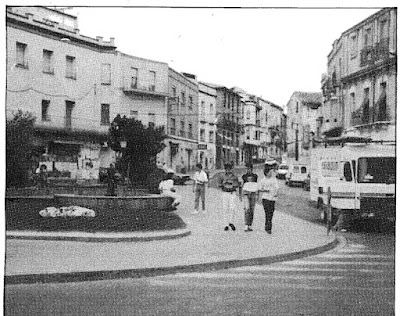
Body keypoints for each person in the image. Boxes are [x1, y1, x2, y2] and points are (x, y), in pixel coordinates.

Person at [217, 162, 240, 231]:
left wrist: (233, 185)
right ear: (225, 169)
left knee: (232, 208)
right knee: (225, 208)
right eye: (227, 169)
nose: (228, 171)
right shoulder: (222, 176)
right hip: (225, 193)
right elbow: (218, 184)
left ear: (231, 169)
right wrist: (223, 184)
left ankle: (231, 222)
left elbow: (238, 184)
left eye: (229, 169)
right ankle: (225, 224)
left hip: (232, 193)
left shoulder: (235, 176)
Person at [258, 161, 279, 234]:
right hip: (265, 198)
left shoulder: (274, 179)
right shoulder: (263, 180)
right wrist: (266, 190)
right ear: (266, 173)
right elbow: (259, 188)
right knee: (267, 213)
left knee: (271, 212)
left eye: (271, 172)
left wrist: (275, 193)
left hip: (272, 198)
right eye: (269, 172)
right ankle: (268, 227)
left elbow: (277, 187)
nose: (271, 173)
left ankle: (268, 225)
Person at [241, 164, 259, 232]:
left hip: (253, 194)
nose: (248, 170)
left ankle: (250, 225)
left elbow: (256, 185)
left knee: (252, 209)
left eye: (250, 169)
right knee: (247, 209)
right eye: (247, 169)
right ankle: (246, 225)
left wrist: (257, 194)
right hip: (246, 193)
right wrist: (241, 194)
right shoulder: (244, 176)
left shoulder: (255, 176)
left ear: (252, 169)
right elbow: (243, 185)